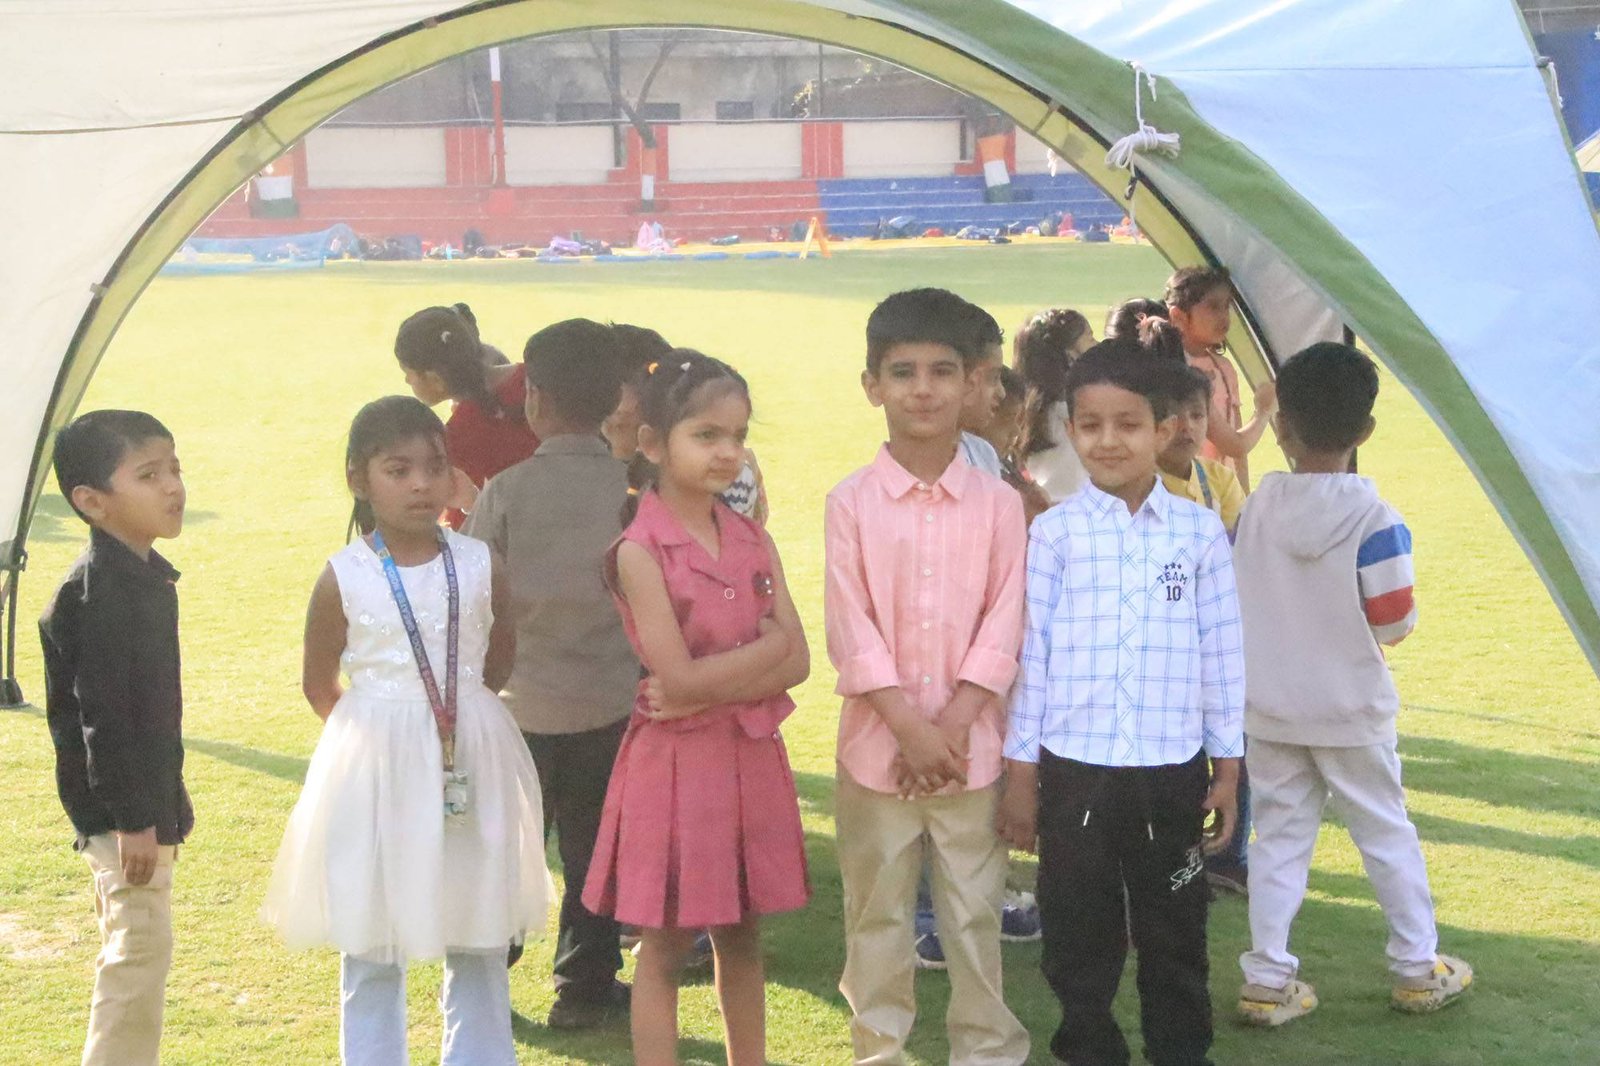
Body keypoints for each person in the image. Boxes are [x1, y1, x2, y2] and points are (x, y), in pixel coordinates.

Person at [262, 396, 549, 1066]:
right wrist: (380, 735)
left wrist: (449, 723)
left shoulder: (480, 562)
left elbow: (498, 656)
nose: (421, 484)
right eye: (399, 470)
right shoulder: (343, 576)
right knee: (372, 934)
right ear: (359, 479)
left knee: (478, 927)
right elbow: (318, 682)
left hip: (471, 755)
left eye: (435, 466)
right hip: (377, 767)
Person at [1000, 341, 1245, 1066]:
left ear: (1165, 428)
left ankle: (1181, 1051)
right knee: (1079, 934)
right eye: (1091, 424)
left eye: (1128, 424)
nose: (1108, 441)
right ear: (1070, 429)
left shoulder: (1199, 533)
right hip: (1076, 774)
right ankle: (1089, 1048)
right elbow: (1033, 659)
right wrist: (1021, 775)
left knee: (1176, 929)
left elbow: (1221, 653)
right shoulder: (1055, 534)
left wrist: (1228, 767)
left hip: (1171, 774)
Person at [1233, 342, 1472, 1026]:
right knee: (1386, 834)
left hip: (1268, 707)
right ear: (1365, 430)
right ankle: (1416, 968)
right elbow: (1394, 623)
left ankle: (1266, 977)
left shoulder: (1254, 511)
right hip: (1350, 710)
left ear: (1281, 425)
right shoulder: (1377, 519)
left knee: (1279, 840)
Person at [583, 353, 810, 1066]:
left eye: (738, 436)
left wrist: (722, 679)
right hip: (677, 766)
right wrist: (762, 655)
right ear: (653, 443)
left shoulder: (752, 538)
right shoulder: (639, 550)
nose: (727, 452)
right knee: (665, 942)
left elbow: (799, 661)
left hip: (747, 755)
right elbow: (676, 676)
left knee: (742, 932)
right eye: (706, 435)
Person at [827, 287, 1031, 1066]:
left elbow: (1005, 619)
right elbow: (851, 626)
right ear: (871, 384)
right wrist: (910, 730)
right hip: (877, 753)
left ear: (973, 382)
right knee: (876, 916)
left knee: (974, 916)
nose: (923, 389)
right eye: (902, 372)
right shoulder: (850, 502)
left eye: (942, 372)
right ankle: (880, 1049)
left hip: (970, 751)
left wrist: (950, 726)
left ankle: (987, 1050)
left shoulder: (998, 504)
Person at [462, 319, 637, 1029]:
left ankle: (485, 978)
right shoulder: (632, 491)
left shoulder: (507, 490)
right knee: (598, 850)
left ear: (533, 396)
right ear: (614, 399)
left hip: (520, 705)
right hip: (613, 702)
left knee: (509, 848)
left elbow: (469, 593)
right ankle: (585, 984)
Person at [41, 410, 190, 1066]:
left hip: (143, 805)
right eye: (148, 475)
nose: (173, 486)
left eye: (174, 468)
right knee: (137, 956)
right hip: (122, 815)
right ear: (92, 502)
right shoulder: (100, 592)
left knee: (140, 949)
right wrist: (133, 819)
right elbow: (103, 716)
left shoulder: (143, 577)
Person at [395, 303, 538, 528]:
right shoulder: (535, 379)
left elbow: (467, 522)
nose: (406, 381)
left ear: (435, 379)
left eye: (408, 374)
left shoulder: (458, 435)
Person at [1163, 267, 1277, 491]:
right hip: (1188, 491)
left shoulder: (1224, 368)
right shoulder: (1178, 371)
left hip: (1222, 493)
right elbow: (1235, 446)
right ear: (1178, 316)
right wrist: (1264, 410)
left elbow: (1237, 452)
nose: (1224, 316)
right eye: (1213, 307)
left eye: (1227, 306)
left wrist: (1243, 496)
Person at [1014, 307, 1095, 504]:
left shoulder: (1025, 410)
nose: (1097, 344)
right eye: (1090, 338)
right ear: (1070, 355)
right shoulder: (1076, 413)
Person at [1157, 357, 1245, 535]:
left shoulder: (1222, 479)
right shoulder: (1135, 487)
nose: (1186, 426)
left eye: (1197, 415)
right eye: (1172, 417)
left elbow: (1240, 542)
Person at [982, 364, 1051, 526]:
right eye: (1008, 418)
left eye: (1019, 421)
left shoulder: (1009, 464)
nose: (1017, 431)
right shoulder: (978, 474)